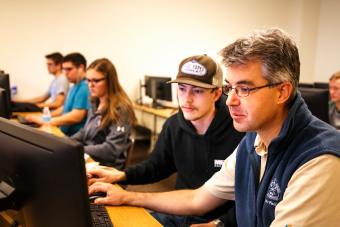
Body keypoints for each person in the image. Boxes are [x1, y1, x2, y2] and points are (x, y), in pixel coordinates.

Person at [89, 28, 340, 227]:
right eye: (231, 88)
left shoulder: (319, 160)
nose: (230, 101)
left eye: (245, 89)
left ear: (282, 91)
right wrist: (127, 196)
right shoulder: (253, 141)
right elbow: (199, 198)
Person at [88, 54, 245, 226]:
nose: (187, 99)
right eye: (182, 89)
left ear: (216, 93)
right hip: (178, 212)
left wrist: (221, 223)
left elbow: (248, 195)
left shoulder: (239, 131)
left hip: (218, 220)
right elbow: (156, 166)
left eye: (198, 91)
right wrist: (122, 175)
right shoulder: (174, 125)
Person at [71, 58, 137, 169]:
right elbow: (85, 131)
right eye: (88, 80)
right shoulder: (94, 100)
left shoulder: (121, 108)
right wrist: (67, 143)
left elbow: (111, 150)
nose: (90, 85)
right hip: (90, 159)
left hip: (107, 167)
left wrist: (78, 149)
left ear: (109, 81)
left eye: (96, 81)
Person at [26, 52, 90, 136]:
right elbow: (64, 108)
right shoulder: (75, 86)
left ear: (81, 68)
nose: (66, 73)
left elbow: (76, 116)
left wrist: (46, 121)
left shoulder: (84, 87)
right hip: (63, 132)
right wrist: (43, 117)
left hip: (71, 137)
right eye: (64, 69)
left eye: (69, 69)